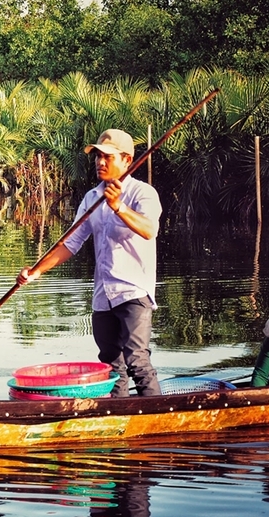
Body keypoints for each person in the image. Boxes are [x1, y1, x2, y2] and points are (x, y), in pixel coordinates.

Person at [17, 129, 162, 397]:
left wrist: (118, 206)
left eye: (107, 156)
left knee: (137, 362)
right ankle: (119, 418)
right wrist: (35, 272)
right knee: (110, 365)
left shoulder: (143, 194)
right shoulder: (92, 198)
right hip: (102, 296)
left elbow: (148, 229)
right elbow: (70, 243)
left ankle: (158, 421)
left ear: (127, 160)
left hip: (133, 293)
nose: (100, 162)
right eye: (97, 156)